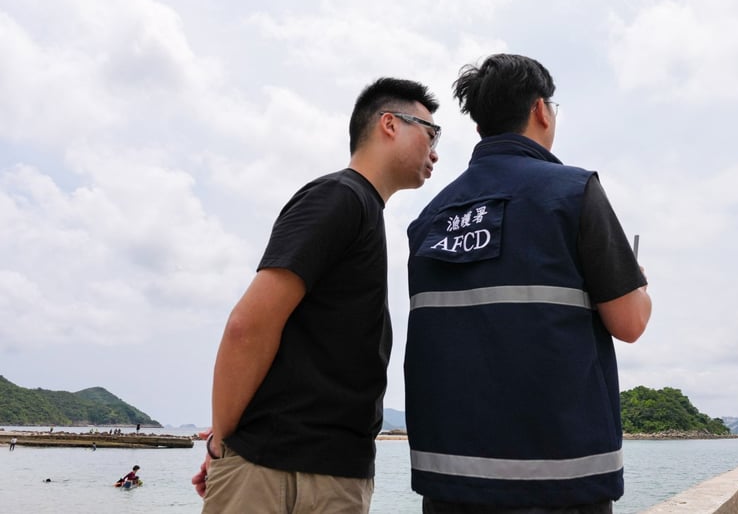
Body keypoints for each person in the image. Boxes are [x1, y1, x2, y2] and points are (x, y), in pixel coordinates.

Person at [404, 53, 652, 513]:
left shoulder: (428, 220)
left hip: (451, 485)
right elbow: (630, 322)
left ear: (480, 126)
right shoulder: (573, 192)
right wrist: (634, 280)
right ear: (541, 109)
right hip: (560, 484)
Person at [191, 78, 441, 514]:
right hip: (278, 471)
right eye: (431, 132)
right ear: (389, 124)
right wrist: (221, 447)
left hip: (329, 470)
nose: (436, 150)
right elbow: (247, 327)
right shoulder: (338, 197)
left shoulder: (362, 209)